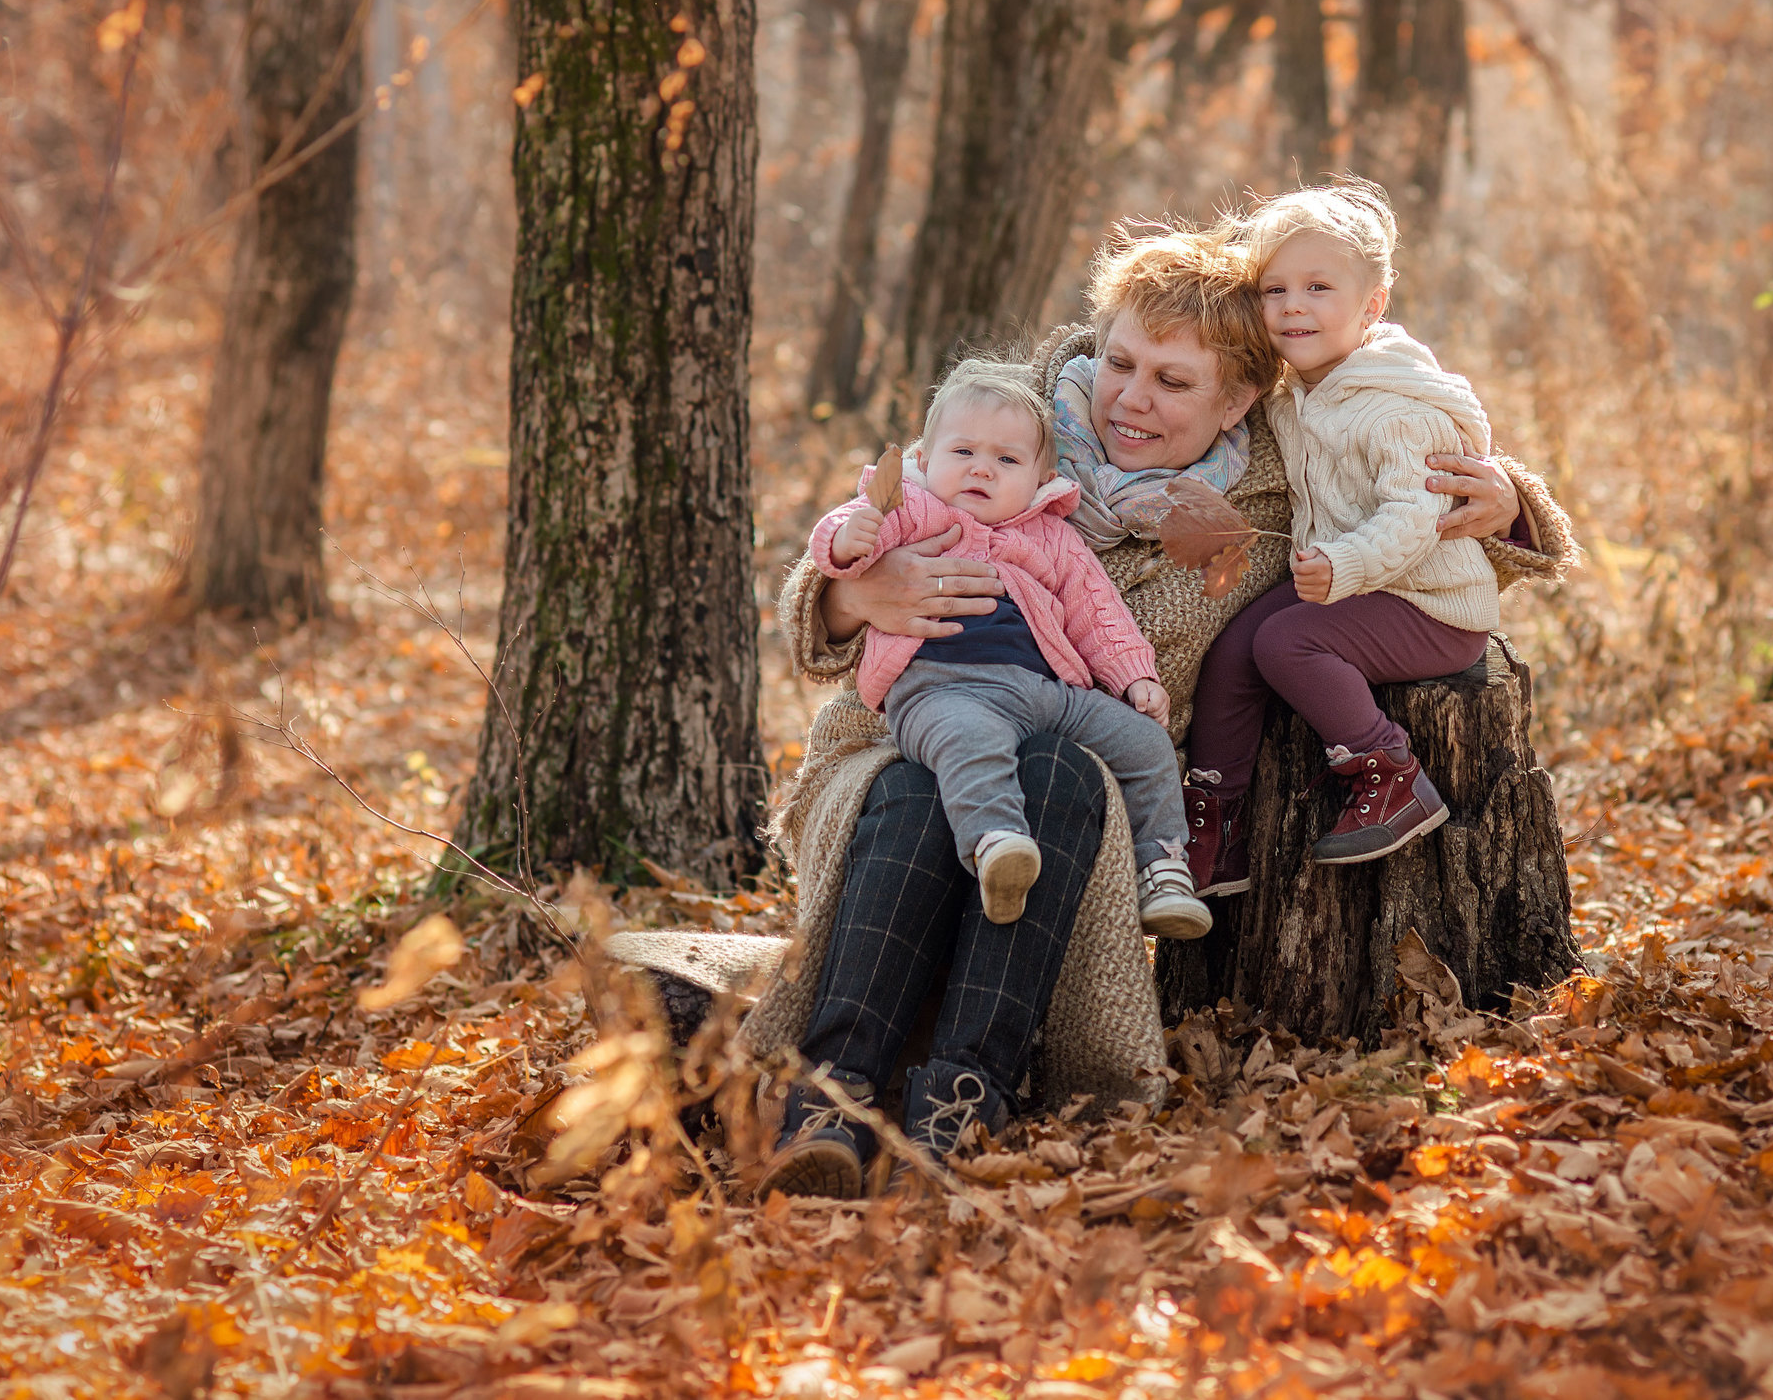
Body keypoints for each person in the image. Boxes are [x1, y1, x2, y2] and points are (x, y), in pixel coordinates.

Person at [665, 227, 1571, 1202]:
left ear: (1237, 400)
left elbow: (1404, 443)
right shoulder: (1013, 411)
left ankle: (958, 1099)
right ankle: (827, 1106)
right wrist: (855, 594)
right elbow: (850, 544)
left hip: (1082, 791)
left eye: (1172, 383)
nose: (1131, 398)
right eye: (1122, 362)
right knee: (931, 766)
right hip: (897, 745)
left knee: (1052, 767)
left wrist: (1504, 496)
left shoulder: (1273, 498)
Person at [809, 358, 1211, 940]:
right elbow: (848, 525)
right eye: (963, 452)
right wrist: (848, 542)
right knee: (973, 744)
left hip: (1046, 694)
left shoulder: (1052, 535)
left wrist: (1132, 677)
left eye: (1007, 460)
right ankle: (997, 848)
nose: (982, 470)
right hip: (941, 689)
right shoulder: (913, 508)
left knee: (1145, 742)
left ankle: (1162, 866)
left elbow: (1099, 612)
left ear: (1041, 477)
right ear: (924, 460)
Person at [1182, 182, 1499, 887]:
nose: (1294, 305)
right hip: (1358, 586)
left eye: (1319, 286)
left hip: (1432, 605)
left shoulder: (1392, 406)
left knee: (1285, 641)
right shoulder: (1298, 390)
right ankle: (1215, 823)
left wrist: (1346, 560)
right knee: (1235, 648)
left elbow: (1416, 517)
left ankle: (1392, 774)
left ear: (1372, 304)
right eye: (1275, 289)